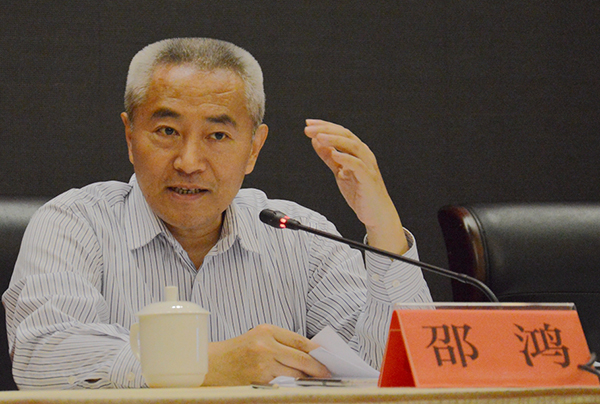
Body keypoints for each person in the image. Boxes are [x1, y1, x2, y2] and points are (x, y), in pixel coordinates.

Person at [2, 38, 432, 389]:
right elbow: (43, 355)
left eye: (218, 135)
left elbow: (398, 369)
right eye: (167, 131)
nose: (189, 162)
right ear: (130, 138)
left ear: (254, 148)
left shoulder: (300, 236)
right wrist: (206, 365)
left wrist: (383, 227)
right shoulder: (74, 223)